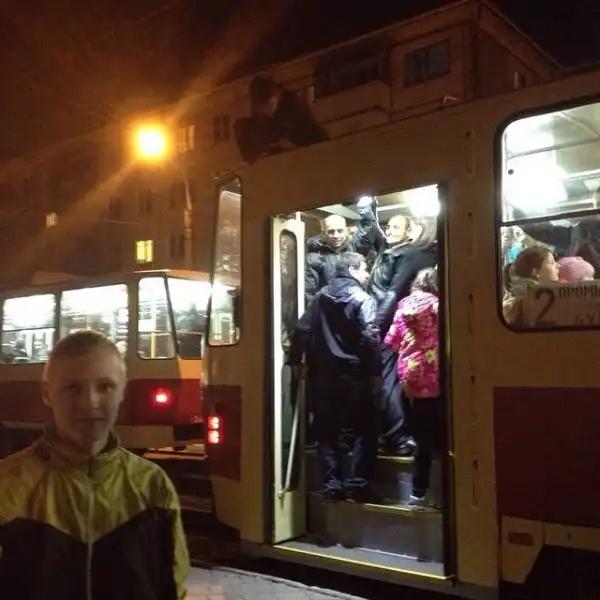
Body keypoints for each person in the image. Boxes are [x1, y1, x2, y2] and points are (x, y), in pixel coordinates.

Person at [0, 330, 189, 600]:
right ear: (46, 393)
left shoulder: (153, 487)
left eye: (105, 387)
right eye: (72, 388)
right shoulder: (8, 486)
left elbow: (172, 588)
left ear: (123, 391)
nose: (89, 402)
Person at [288, 252, 381, 503]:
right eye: (364, 269)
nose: (367, 274)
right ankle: (358, 485)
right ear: (352, 270)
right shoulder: (364, 299)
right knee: (364, 430)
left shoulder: (320, 298)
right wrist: (375, 372)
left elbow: (302, 329)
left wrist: (295, 360)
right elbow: (369, 336)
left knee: (327, 433)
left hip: (323, 376)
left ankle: (332, 486)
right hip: (354, 375)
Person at [368, 215, 437, 456]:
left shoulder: (407, 255)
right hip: (414, 329)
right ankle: (400, 434)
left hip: (393, 324)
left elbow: (392, 292)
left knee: (390, 380)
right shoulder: (429, 256)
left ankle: (394, 436)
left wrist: (376, 325)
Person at [385, 267, 441, 507]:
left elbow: (392, 341)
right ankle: (434, 491)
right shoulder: (438, 306)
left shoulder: (403, 307)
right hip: (434, 373)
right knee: (437, 435)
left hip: (409, 375)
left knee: (421, 436)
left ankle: (418, 493)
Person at [305, 197, 384, 303]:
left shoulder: (354, 248)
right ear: (324, 233)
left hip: (353, 305)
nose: (336, 235)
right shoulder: (315, 257)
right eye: (331, 231)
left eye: (340, 231)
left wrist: (364, 206)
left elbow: (369, 225)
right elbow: (309, 292)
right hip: (329, 307)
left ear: (346, 231)